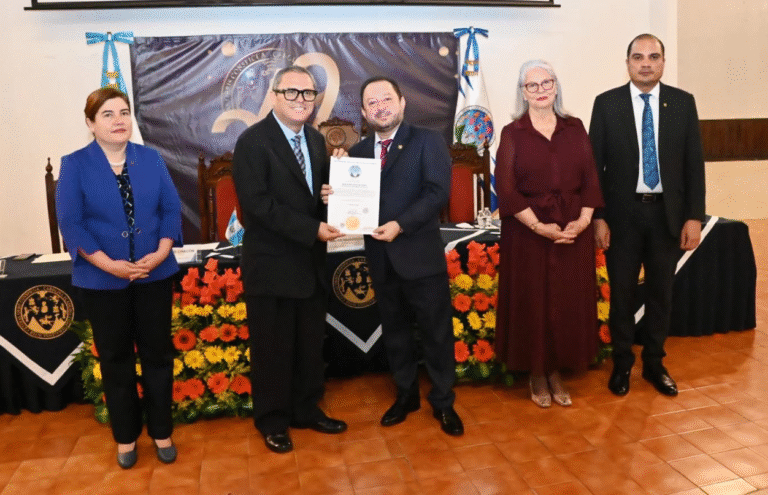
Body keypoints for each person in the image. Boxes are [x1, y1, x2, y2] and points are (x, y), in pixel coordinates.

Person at [56, 87, 182, 468]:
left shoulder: (152, 159)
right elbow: (72, 224)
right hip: (102, 281)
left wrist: (160, 253)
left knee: (158, 356)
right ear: (91, 123)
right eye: (108, 114)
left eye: (124, 112)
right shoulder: (75, 164)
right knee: (116, 360)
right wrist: (109, 264)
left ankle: (162, 432)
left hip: (154, 275)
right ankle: (125, 438)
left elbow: (170, 211)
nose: (119, 120)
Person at [338, 76, 463, 435]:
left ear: (402, 102)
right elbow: (352, 206)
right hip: (379, 258)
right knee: (395, 333)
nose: (381, 106)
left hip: (420, 257)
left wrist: (400, 225)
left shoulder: (427, 140)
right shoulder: (358, 154)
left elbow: (437, 192)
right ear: (363, 112)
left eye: (386, 99)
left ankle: (443, 403)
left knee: (436, 334)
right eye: (372, 102)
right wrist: (335, 196)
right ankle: (406, 395)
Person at [232, 66, 347, 454]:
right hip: (272, 267)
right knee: (273, 350)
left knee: (309, 346)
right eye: (292, 93)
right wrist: (312, 228)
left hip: (310, 265)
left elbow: (313, 198)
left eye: (308, 94)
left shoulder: (315, 141)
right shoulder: (252, 142)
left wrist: (335, 196)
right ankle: (273, 421)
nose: (301, 101)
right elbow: (258, 206)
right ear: (274, 94)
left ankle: (306, 410)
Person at [589, 34, 706, 397]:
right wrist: (598, 217)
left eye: (653, 57)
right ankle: (622, 364)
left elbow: (693, 165)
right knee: (622, 295)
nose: (645, 63)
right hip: (621, 219)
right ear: (627, 63)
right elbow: (595, 168)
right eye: (638, 57)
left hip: (667, 218)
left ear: (662, 62)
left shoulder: (682, 104)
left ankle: (654, 364)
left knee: (661, 294)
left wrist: (694, 217)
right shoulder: (607, 104)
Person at [494, 60, 604, 408]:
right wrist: (539, 227)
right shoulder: (513, 133)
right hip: (527, 234)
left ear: (556, 86)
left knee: (566, 302)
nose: (540, 90)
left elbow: (590, 180)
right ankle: (537, 373)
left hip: (573, 230)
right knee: (533, 303)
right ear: (522, 92)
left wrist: (584, 221)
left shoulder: (576, 128)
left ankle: (557, 369)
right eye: (532, 85)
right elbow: (507, 189)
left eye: (546, 83)